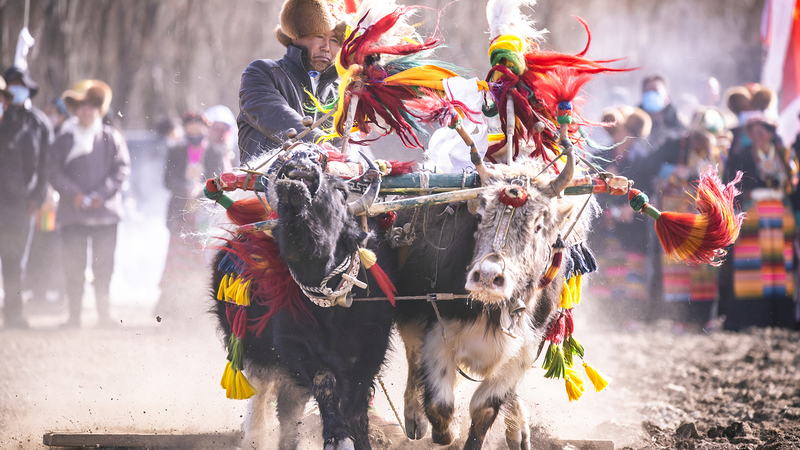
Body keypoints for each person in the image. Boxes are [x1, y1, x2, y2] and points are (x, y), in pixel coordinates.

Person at [47, 80, 130, 328]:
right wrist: (75, 193)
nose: (86, 111)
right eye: (81, 106)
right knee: (73, 267)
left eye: (92, 105)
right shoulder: (64, 138)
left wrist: (99, 195)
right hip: (73, 214)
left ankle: (104, 315)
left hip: (105, 214)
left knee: (104, 268)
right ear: (74, 109)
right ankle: (74, 316)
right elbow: (52, 170)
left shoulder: (110, 137)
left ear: (99, 109)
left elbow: (121, 170)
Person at [650, 109, 731, 331]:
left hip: (705, 214)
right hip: (678, 214)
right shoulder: (674, 144)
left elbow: (724, 178)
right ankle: (681, 318)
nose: (699, 143)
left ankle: (705, 318)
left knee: (705, 264)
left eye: (704, 139)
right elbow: (649, 165)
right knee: (679, 263)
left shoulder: (718, 151)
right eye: (697, 138)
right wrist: (673, 170)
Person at [237, 0, 345, 162]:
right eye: (319, 36)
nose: (327, 47)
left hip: (324, 185)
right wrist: (325, 147)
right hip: (264, 183)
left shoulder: (340, 91)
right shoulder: (262, 72)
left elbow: (348, 141)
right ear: (296, 35)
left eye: (334, 40)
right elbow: (277, 115)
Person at [719, 113, 799, 331]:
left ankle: (780, 319)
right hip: (753, 216)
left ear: (772, 133)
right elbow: (732, 188)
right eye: (753, 132)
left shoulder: (785, 157)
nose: (758, 136)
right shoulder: (742, 157)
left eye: (762, 131)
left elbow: (793, 189)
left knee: (779, 269)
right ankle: (749, 319)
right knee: (751, 269)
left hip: (781, 220)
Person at [156, 111, 228, 323]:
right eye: (191, 129)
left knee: (202, 260)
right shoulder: (176, 151)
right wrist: (185, 188)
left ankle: (200, 307)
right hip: (181, 214)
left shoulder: (215, 152)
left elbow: (219, 179)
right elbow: (168, 180)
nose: (195, 133)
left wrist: (202, 188)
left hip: (205, 215)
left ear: (206, 130)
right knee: (178, 261)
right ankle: (173, 307)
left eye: (199, 129)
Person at [589, 106, 653, 329]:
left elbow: (647, 187)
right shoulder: (600, 156)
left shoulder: (641, 159)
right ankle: (607, 319)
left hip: (630, 225)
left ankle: (630, 317)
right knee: (608, 268)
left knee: (629, 270)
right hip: (604, 224)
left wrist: (633, 207)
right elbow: (590, 187)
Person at [0, 67, 52, 328]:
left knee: (13, 261)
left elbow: (46, 165)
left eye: (21, 84)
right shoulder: (1, 118)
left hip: (21, 205)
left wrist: (38, 197)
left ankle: (14, 313)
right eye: (11, 85)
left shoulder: (39, 123)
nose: (15, 89)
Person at [640, 74, 686, 152]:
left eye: (655, 90)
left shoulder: (678, 126)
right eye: (647, 91)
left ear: (667, 95)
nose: (651, 95)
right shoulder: (632, 123)